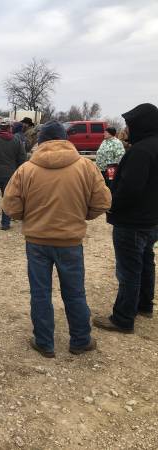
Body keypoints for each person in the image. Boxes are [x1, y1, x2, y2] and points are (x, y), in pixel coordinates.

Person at [3, 120, 111, 357]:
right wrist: (81, 216)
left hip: (37, 241)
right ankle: (80, 340)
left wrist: (28, 218)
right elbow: (102, 202)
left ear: (40, 142)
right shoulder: (86, 166)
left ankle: (44, 342)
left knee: (40, 292)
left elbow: (10, 206)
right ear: (66, 140)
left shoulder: (26, 169)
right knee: (75, 292)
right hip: (71, 241)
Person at [93, 103, 158, 334]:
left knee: (129, 270)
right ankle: (144, 305)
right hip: (151, 219)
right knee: (145, 263)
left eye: (130, 124)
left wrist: (111, 206)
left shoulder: (140, 151)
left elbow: (130, 189)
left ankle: (122, 318)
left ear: (141, 125)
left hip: (132, 222)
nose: (127, 129)